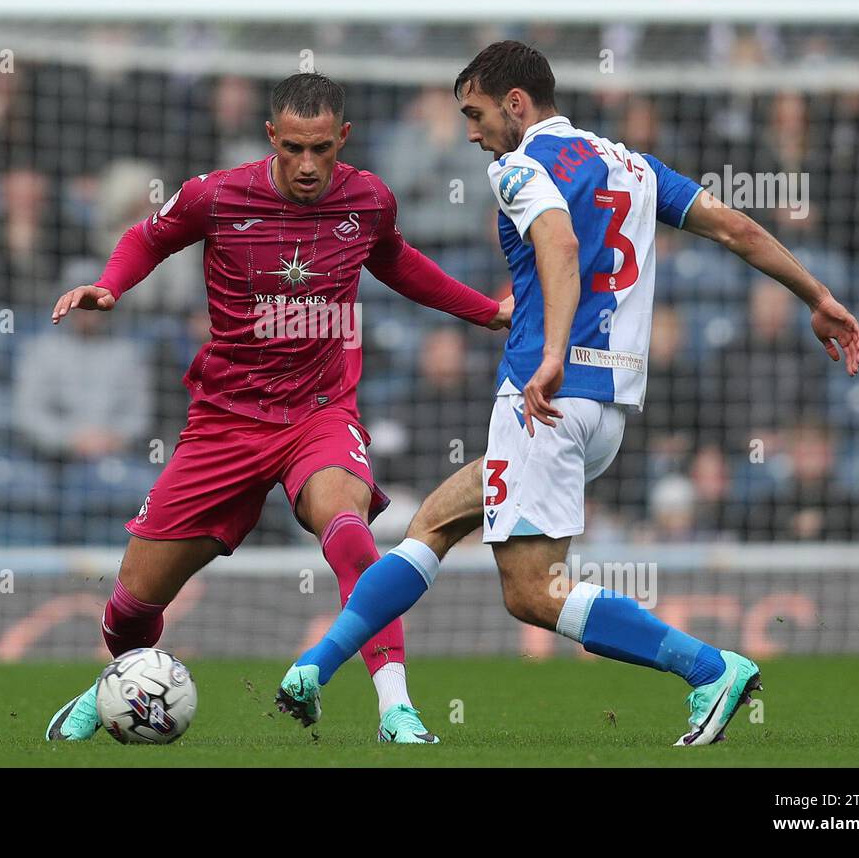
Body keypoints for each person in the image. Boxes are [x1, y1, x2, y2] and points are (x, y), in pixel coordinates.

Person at [277, 41, 859, 747]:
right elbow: (735, 228)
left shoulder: (517, 166)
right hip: (607, 405)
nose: (471, 131)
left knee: (531, 591)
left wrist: (551, 355)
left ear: (516, 104)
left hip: (543, 398)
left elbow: (556, 244)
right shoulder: (632, 164)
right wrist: (820, 296)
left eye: (476, 112)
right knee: (432, 522)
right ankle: (316, 669)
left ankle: (711, 668)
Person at [43, 72, 511, 745]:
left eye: (322, 148)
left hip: (319, 414)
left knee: (349, 530)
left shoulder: (369, 200)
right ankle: (113, 687)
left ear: (342, 139)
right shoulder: (217, 195)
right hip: (226, 421)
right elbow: (148, 237)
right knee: (130, 605)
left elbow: (400, 263)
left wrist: (486, 311)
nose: (308, 164)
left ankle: (396, 711)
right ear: (272, 138)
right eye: (294, 147)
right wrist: (111, 286)